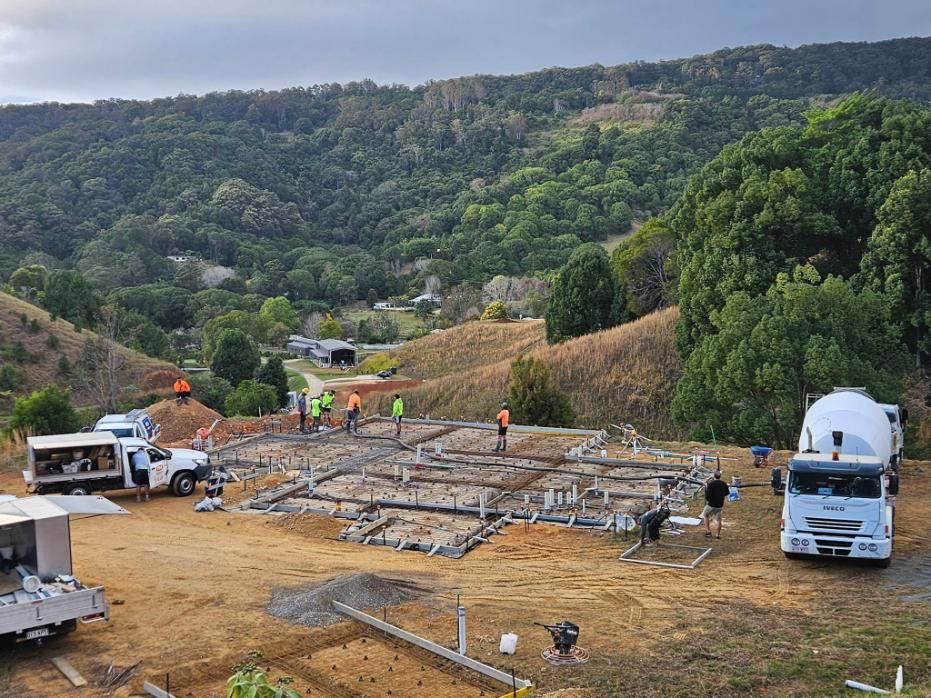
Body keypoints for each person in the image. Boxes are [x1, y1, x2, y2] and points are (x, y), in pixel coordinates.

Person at [702, 471, 730, 539]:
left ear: (714, 476)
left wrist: (706, 484)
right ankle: (717, 534)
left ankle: (708, 531)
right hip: (720, 505)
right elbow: (727, 493)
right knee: (719, 520)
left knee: (705, 515)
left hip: (711, 505)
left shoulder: (711, 484)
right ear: (720, 476)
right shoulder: (724, 484)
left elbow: (707, 496)